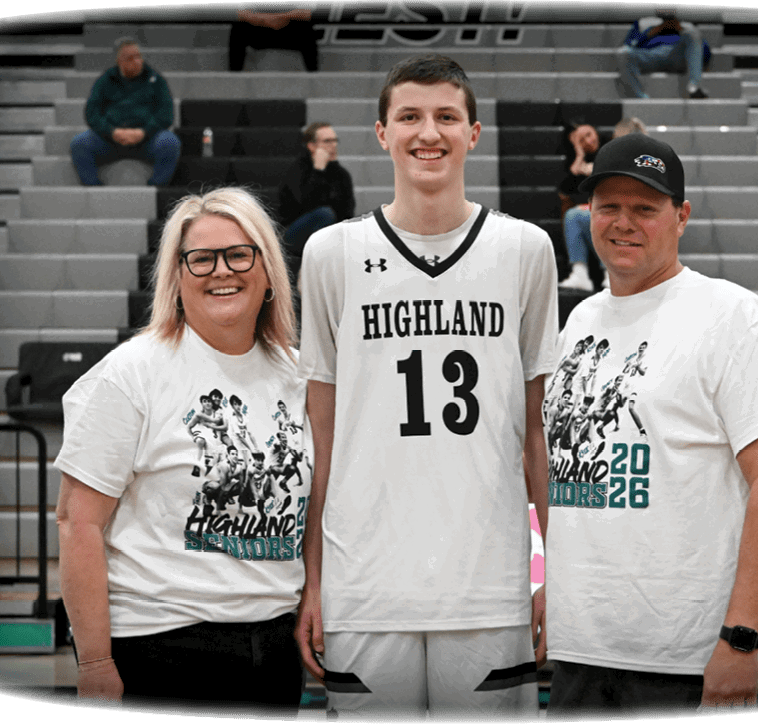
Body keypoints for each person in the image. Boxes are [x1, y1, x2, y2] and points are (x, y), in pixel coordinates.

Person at [295, 53, 557, 720]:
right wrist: (313, 578)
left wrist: (557, 572)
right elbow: (321, 432)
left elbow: (537, 431)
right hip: (365, 585)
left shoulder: (525, 250)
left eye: (446, 116)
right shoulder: (330, 255)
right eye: (409, 116)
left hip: (488, 586)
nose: (428, 133)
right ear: (381, 133)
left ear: (474, 133)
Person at [542, 134, 758, 718]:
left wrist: (740, 639)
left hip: (694, 660)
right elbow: (571, 471)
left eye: (645, 208)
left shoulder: (733, 318)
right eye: (609, 206)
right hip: (583, 654)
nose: (623, 223)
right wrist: (553, 587)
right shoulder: (581, 321)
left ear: (681, 216)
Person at [54, 187, 311, 717]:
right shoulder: (133, 373)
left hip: (275, 650)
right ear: (176, 276)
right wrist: (93, 663)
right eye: (201, 258)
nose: (222, 271)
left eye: (240, 253)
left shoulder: (299, 373)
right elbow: (76, 523)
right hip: (162, 646)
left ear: (267, 272)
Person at [70, 38, 181, 186]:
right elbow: (91, 114)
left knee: (170, 143)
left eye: (138, 56)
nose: (137, 61)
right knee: (79, 144)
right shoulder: (105, 80)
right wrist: (112, 132)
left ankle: (155, 187)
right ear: (119, 61)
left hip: (146, 140)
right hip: (110, 140)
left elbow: (166, 115)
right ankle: (94, 188)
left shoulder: (156, 80)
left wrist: (143, 132)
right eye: (130, 58)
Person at [558, 119, 647, 292]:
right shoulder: (600, 158)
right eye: (581, 140)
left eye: (589, 135)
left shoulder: (637, 159)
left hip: (629, 219)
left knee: (606, 218)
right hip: (609, 212)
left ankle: (612, 273)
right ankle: (580, 273)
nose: (588, 141)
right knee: (573, 215)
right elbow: (566, 188)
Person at [277, 122, 355, 282]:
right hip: (293, 236)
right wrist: (318, 171)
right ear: (312, 146)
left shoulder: (341, 175)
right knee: (324, 214)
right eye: (327, 141)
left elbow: (347, 213)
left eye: (335, 141)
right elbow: (303, 204)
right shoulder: (297, 170)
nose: (333, 146)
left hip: (328, 237)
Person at [618, 4, 711, 100]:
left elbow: (703, 50)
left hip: (677, 55)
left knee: (692, 32)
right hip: (651, 55)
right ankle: (642, 98)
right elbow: (629, 45)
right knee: (623, 53)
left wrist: (680, 30)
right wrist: (654, 31)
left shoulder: (687, 26)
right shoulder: (643, 23)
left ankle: (693, 87)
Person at [229, 2, 319, 72]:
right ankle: (234, 79)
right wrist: (266, 19)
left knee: (306, 30)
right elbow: (241, 14)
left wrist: (280, 17)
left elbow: (306, 13)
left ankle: (314, 79)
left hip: (289, 32)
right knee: (238, 29)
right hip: (260, 31)